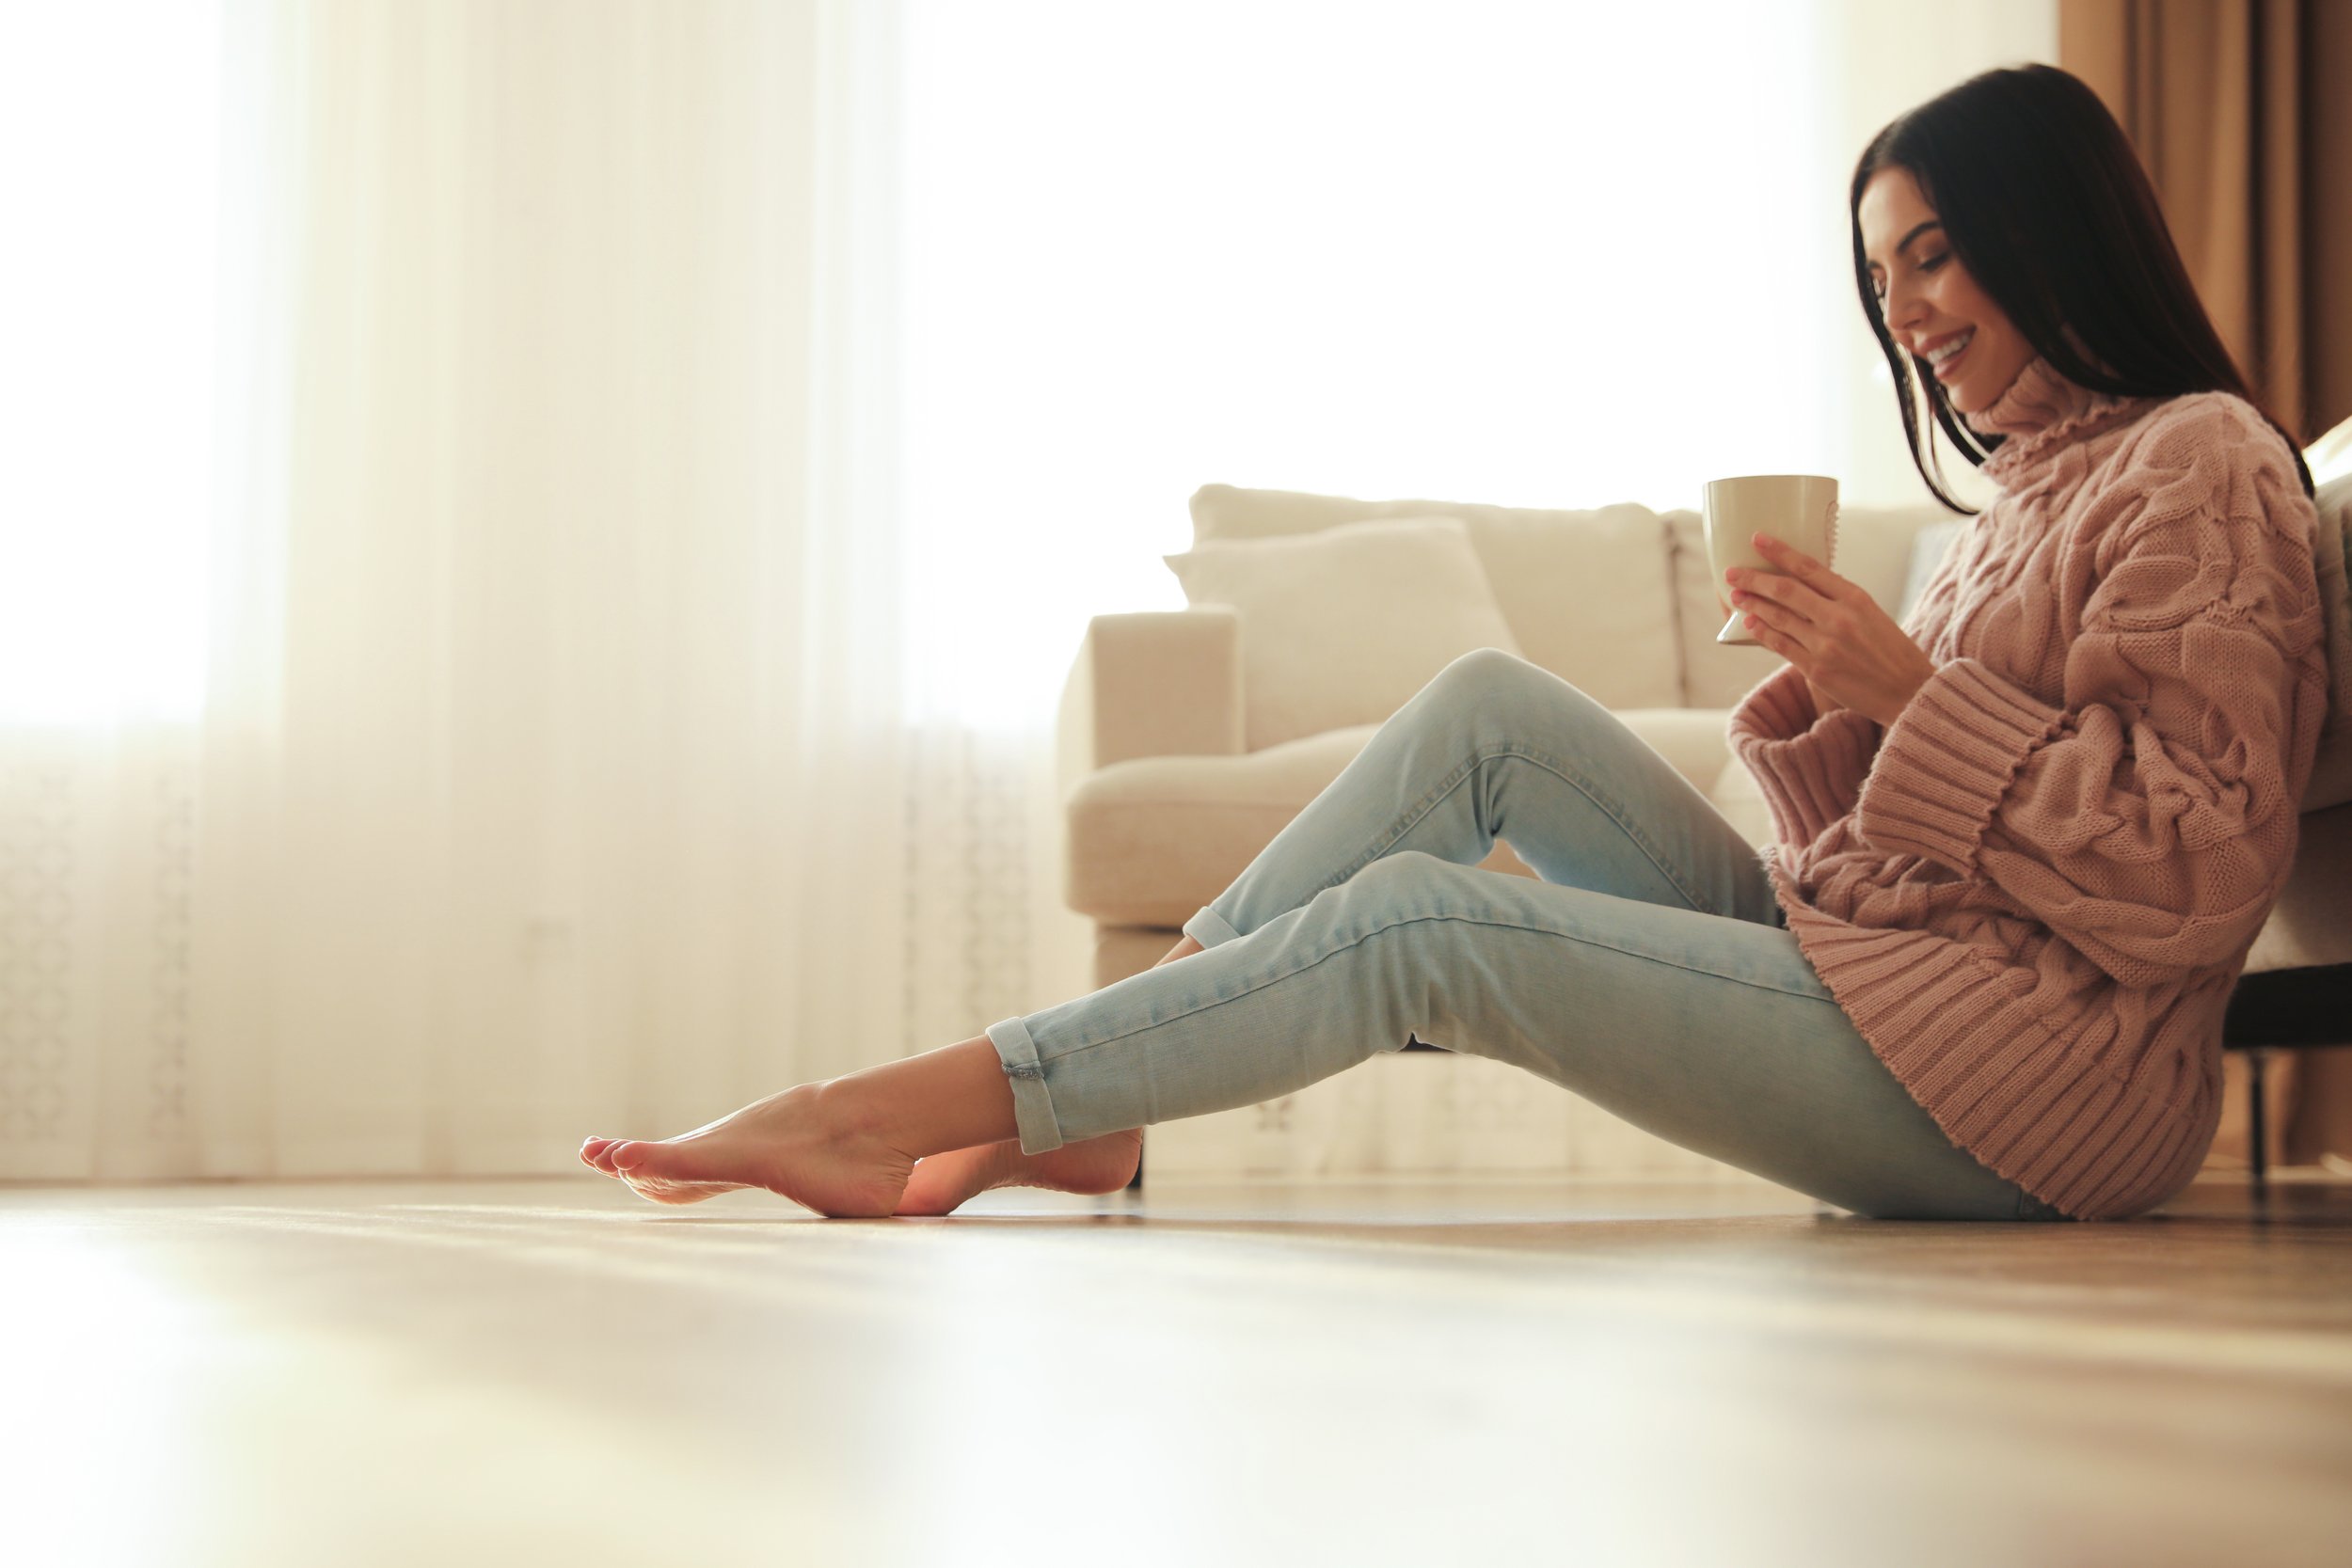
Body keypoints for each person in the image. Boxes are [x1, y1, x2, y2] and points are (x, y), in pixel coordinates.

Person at [578, 63, 2328, 1224]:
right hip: (1906, 993)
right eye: (1885, 281)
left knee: (1431, 924)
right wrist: (1821, 730)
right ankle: (1103, 1085)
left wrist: (1905, 694)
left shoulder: (2204, 465)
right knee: (1492, 710)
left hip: (2038, 1086)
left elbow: (2195, 871)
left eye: (1938, 256)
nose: (1912, 315)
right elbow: (1893, 860)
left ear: (2050, 226)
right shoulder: (2009, 501)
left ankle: (882, 1110)